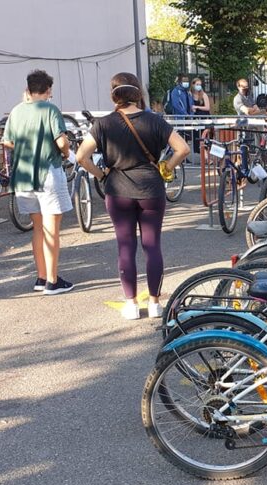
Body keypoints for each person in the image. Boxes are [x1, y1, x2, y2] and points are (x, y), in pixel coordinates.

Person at [75, 72, 190, 320]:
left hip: (117, 190)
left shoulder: (103, 124)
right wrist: (167, 168)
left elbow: (81, 157)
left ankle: (130, 304)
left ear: (114, 94)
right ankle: (156, 303)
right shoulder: (155, 121)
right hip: (151, 188)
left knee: (125, 246)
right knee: (152, 246)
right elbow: (183, 149)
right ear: (138, 92)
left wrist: (101, 175)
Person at [2, 70, 74, 295]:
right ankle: (53, 280)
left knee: (38, 228)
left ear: (29, 88)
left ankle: (41, 277)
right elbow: (61, 141)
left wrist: (28, 148)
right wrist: (66, 152)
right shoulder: (50, 109)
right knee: (52, 228)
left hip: (23, 175)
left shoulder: (16, 111)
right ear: (48, 89)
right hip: (47, 172)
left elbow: (7, 142)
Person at [190, 77, 211, 155]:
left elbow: (207, 107)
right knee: (197, 137)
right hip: (196, 119)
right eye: (197, 84)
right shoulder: (190, 95)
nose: (199, 86)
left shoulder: (204, 95)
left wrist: (197, 107)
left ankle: (207, 157)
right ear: (193, 85)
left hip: (204, 118)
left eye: (200, 84)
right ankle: (204, 156)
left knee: (205, 137)